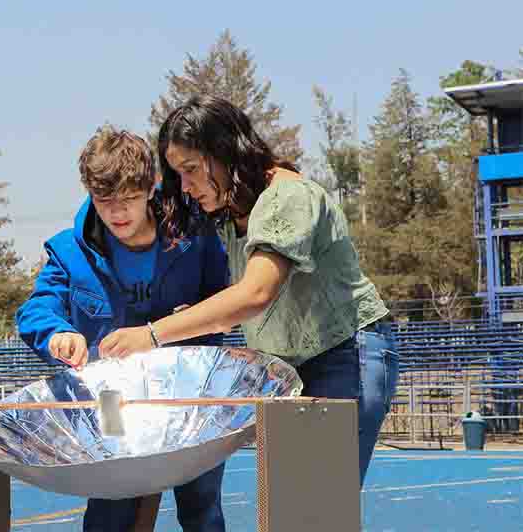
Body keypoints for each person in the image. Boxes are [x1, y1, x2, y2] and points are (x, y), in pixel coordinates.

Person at [99, 95, 400, 486]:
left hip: (345, 356)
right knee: (290, 508)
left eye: (191, 170)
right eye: (178, 174)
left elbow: (257, 293)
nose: (186, 187)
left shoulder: (288, 197)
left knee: (318, 507)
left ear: (225, 152)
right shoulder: (232, 214)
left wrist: (151, 334)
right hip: (291, 366)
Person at [16, 127, 230, 532]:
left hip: (189, 394)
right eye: (104, 201)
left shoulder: (195, 237)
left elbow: (224, 300)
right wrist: (57, 332)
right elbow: (36, 309)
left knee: (202, 508)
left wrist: (187, 321)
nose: (117, 213)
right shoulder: (68, 251)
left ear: (151, 187)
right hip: (111, 401)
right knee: (110, 511)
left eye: (128, 200)